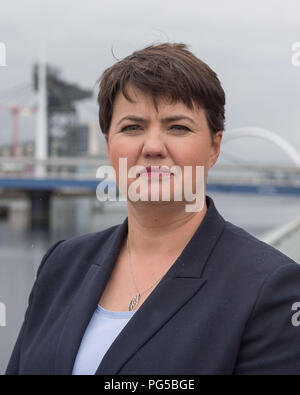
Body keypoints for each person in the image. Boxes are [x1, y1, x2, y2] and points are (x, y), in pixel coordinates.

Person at [6, 43, 300, 375]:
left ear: (214, 147)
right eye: (132, 127)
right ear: (108, 145)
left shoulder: (270, 288)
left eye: (178, 127)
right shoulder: (62, 265)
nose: (153, 147)